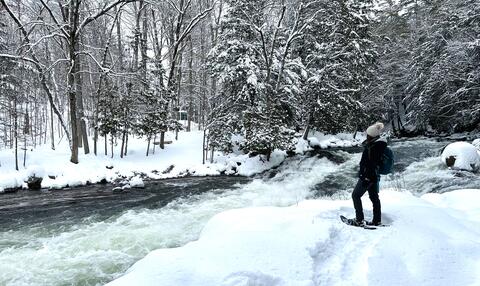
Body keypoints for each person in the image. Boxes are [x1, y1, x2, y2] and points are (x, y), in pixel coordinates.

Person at [350, 122, 387, 226]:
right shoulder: (379, 144)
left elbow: (371, 163)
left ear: (371, 135)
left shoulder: (374, 147)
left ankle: (359, 220)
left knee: (355, 196)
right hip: (374, 176)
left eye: (368, 134)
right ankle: (377, 220)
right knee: (374, 197)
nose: (366, 136)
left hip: (368, 176)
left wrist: (366, 178)